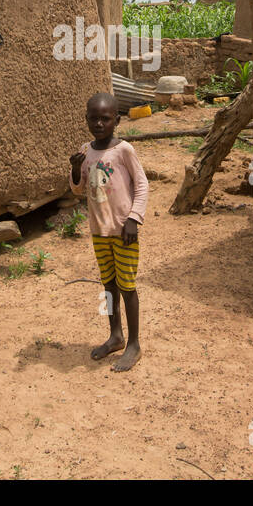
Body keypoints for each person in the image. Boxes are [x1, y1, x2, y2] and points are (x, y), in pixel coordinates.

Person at [69, 92, 148, 371]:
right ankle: (115, 335)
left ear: (117, 119)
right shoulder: (85, 150)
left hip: (123, 231)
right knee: (109, 285)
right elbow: (79, 191)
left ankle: (134, 344)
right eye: (94, 118)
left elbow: (142, 185)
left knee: (127, 286)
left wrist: (133, 219)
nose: (99, 123)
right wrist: (76, 169)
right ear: (86, 119)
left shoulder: (124, 150)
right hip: (99, 231)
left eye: (105, 118)